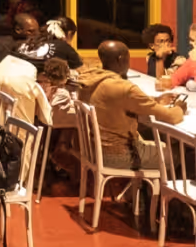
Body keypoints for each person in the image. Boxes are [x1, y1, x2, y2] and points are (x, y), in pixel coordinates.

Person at [78, 40, 185, 169]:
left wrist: (155, 100)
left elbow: (119, 100)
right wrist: (180, 107)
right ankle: (166, 182)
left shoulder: (89, 81)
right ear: (121, 59)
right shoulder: (123, 87)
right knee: (179, 153)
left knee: (149, 134)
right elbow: (171, 117)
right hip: (121, 155)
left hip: (95, 151)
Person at [13, 22, 83, 72]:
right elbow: (80, 69)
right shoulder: (64, 46)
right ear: (69, 34)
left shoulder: (26, 41)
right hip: (33, 81)